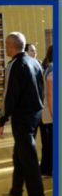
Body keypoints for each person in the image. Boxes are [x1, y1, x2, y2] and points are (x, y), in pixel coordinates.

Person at [0, 32, 48, 196]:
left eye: (6, 44)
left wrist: (2, 120)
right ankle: (16, 193)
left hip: (23, 118)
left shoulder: (14, 65)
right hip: (35, 115)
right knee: (20, 154)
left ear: (11, 46)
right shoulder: (35, 62)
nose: (5, 47)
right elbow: (42, 89)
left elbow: (9, 95)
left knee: (28, 157)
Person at [39, 45, 53, 177]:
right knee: (50, 143)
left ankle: (46, 169)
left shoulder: (48, 67)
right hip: (50, 111)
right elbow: (50, 95)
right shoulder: (52, 69)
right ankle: (46, 169)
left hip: (47, 111)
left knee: (48, 143)